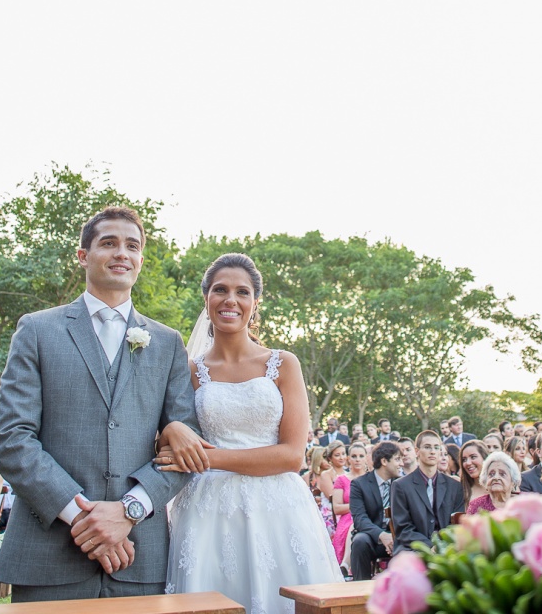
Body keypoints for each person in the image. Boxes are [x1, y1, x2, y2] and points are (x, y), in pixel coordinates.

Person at [0, 205, 201, 602]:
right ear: (83, 256)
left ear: (140, 260)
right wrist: (82, 517)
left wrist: (129, 510)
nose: (122, 253)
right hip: (49, 553)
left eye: (132, 246)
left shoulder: (168, 342)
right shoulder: (37, 330)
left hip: (139, 554)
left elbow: (186, 450)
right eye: (109, 243)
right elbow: (10, 438)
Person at [160, 253, 342, 612]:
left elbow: (291, 456)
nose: (231, 299)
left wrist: (206, 458)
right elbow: (165, 429)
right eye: (220, 290)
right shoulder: (189, 370)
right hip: (207, 510)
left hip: (278, 508)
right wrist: (171, 428)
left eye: (242, 292)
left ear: (255, 304)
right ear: (207, 299)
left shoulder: (282, 364)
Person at [391, 431, 464, 552]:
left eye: (436, 447)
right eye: (427, 447)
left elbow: (457, 524)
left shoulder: (455, 486)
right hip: (412, 546)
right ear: (417, 451)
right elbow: (403, 528)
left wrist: (442, 545)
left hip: (447, 546)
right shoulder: (400, 486)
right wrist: (430, 546)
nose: (432, 451)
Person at [348, 441, 401, 581]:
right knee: (359, 541)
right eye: (397, 459)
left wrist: (395, 536)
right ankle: (359, 591)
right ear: (384, 461)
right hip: (372, 537)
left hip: (399, 537)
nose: (400, 464)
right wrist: (381, 535)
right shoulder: (359, 484)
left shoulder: (402, 484)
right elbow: (360, 518)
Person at [330, 443, 368, 565]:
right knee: (351, 527)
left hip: (368, 517)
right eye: (354, 456)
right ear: (348, 459)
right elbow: (337, 508)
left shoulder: (371, 478)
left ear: (366, 458)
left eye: (361, 456)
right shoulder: (341, 479)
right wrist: (357, 506)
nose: (357, 459)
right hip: (347, 519)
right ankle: (346, 566)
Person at [458, 441, 489, 509]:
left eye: (473, 457)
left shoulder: (500, 487)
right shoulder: (460, 491)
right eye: (464, 460)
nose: (468, 463)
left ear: (485, 458)